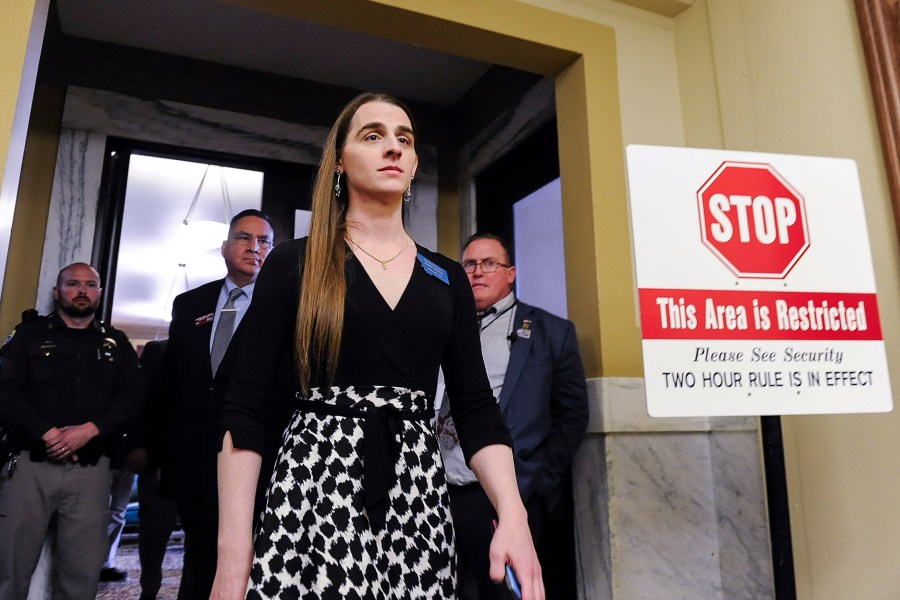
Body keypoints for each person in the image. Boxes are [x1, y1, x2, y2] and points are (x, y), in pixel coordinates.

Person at [212, 92, 544, 600]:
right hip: (315, 480)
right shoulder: (294, 262)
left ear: (412, 166)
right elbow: (246, 407)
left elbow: (476, 409)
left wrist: (513, 515)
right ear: (341, 162)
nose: (392, 147)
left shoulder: (447, 277)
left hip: (416, 488)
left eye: (403, 140)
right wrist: (232, 557)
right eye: (373, 136)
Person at [437, 233, 589, 599]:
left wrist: (535, 477)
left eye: (489, 263)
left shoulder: (550, 332)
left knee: (502, 592)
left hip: (505, 492)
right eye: (469, 264)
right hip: (440, 489)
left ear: (511, 273)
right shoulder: (442, 324)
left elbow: (572, 415)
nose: (477, 272)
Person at [0, 262, 140, 600]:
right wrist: (46, 433)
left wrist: (90, 430)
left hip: (90, 474)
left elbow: (132, 398)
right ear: (56, 291)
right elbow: (5, 389)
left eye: (90, 285)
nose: (82, 291)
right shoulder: (28, 336)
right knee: (9, 571)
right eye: (73, 284)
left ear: (100, 293)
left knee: (81, 575)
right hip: (30, 468)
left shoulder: (116, 342)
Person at [161, 209, 274, 600]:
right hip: (193, 458)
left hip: (253, 459)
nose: (254, 247)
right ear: (225, 247)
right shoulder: (189, 304)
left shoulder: (283, 309)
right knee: (198, 559)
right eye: (244, 238)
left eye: (264, 241)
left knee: (248, 563)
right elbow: (172, 383)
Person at [131, 339, 180, 600]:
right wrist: (138, 446)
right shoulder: (157, 351)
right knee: (155, 530)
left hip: (200, 461)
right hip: (157, 457)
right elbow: (141, 402)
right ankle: (149, 589)